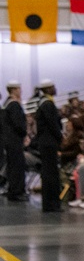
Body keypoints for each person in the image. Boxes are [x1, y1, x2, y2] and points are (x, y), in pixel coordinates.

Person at [34, 79, 63, 213]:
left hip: (44, 142)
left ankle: (49, 203)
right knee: (51, 174)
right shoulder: (48, 104)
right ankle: (52, 204)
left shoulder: (43, 103)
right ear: (49, 89)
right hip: (49, 143)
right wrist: (60, 137)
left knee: (48, 173)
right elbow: (53, 124)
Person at [2, 81, 29, 202]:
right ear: (14, 90)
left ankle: (12, 189)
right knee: (17, 165)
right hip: (15, 140)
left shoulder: (6, 104)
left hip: (8, 140)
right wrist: (24, 133)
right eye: (19, 89)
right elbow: (19, 124)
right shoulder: (14, 105)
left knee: (11, 166)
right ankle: (17, 191)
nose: (21, 91)